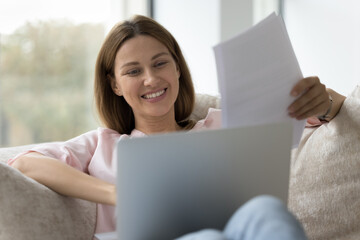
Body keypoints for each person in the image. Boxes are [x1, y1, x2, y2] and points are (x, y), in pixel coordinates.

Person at [8, 15, 346, 239]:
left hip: (234, 231)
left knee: (266, 210)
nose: (151, 79)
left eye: (160, 63)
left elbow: (317, 117)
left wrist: (324, 99)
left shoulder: (220, 124)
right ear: (114, 84)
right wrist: (119, 193)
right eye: (133, 71)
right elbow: (25, 163)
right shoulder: (104, 145)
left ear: (177, 69)